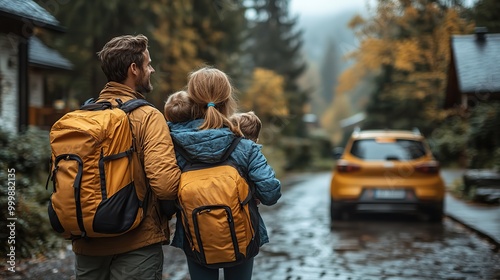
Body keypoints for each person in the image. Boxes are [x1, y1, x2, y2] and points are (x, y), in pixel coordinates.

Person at [73, 34, 181, 280]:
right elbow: (165, 186)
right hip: (136, 243)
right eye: (148, 64)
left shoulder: (81, 117)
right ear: (134, 69)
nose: (151, 69)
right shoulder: (148, 116)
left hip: (87, 241)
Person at [168, 66, 281, 280]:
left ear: (191, 100)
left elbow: (165, 193)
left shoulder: (174, 145)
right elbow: (271, 194)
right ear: (227, 100)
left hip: (195, 238)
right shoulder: (243, 145)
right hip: (242, 239)